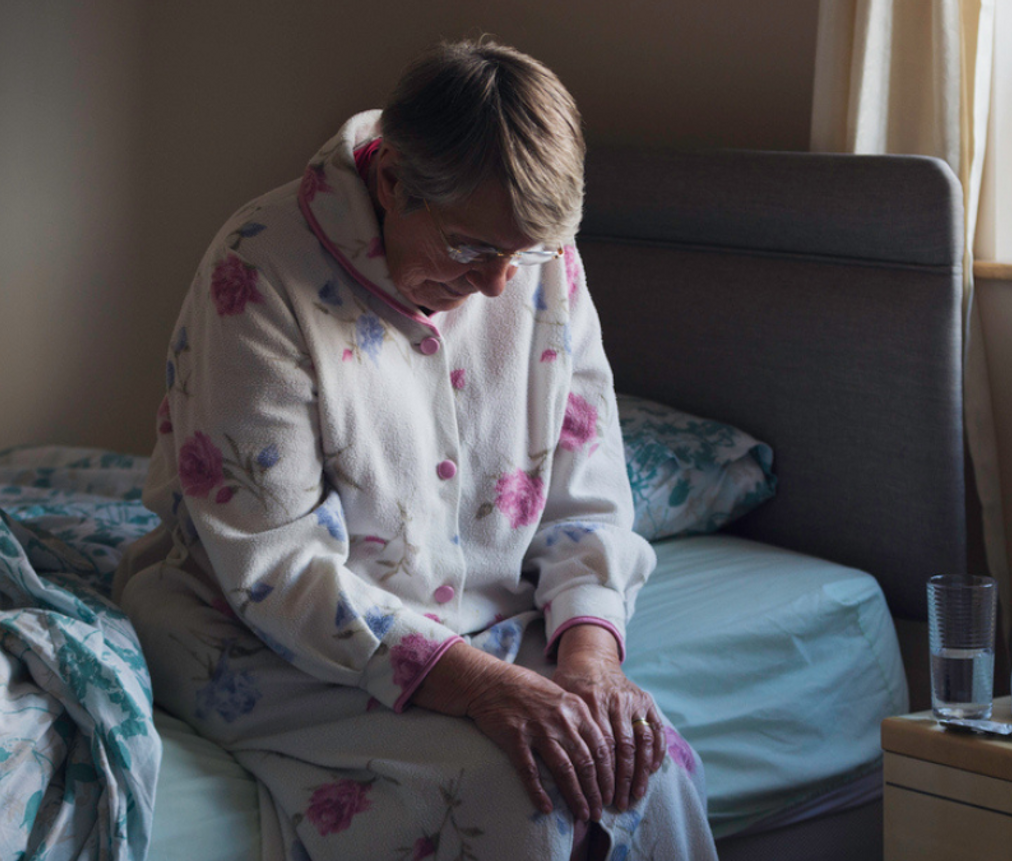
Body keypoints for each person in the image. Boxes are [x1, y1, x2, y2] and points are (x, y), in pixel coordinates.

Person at [114, 39, 718, 860]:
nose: (500, 283)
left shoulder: (537, 256)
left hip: (487, 627)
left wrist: (591, 662)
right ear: (393, 181)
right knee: (519, 804)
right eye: (471, 247)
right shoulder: (260, 271)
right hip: (271, 640)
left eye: (525, 254)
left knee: (647, 769)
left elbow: (586, 496)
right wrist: (480, 686)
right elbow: (276, 565)